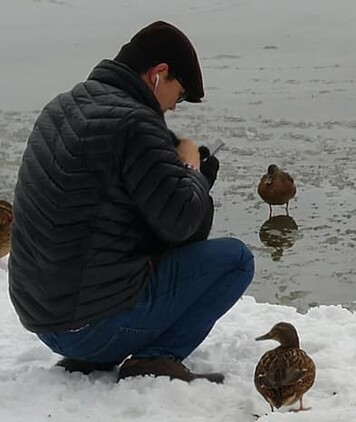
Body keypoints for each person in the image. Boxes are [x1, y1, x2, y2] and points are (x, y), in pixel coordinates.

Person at [8, 20, 255, 384]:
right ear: (159, 74)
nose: (175, 107)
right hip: (91, 327)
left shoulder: (62, 107)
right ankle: (155, 359)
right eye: (180, 94)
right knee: (236, 259)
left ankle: (91, 351)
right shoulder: (137, 124)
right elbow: (184, 228)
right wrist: (192, 170)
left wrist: (179, 172)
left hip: (44, 321)